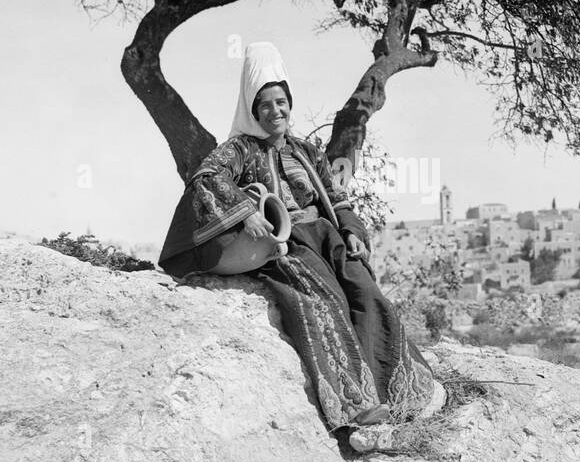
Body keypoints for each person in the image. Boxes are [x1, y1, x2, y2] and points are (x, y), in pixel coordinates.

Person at [158, 42, 436, 439]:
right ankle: (356, 405)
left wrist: (352, 232)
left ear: (290, 103)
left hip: (325, 236)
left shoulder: (306, 150)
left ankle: (402, 392)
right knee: (324, 299)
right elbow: (206, 179)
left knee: (363, 287)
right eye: (266, 105)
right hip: (287, 244)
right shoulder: (239, 148)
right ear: (254, 110)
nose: (276, 112)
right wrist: (248, 212)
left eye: (281, 102)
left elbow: (336, 198)